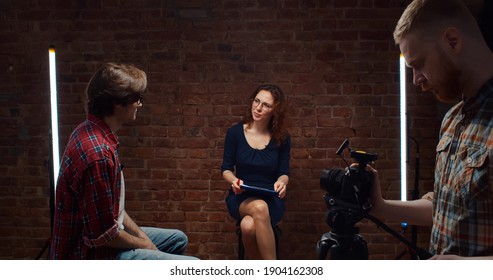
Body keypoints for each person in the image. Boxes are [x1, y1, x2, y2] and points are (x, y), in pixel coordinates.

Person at [369, 0, 493, 259]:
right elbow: (446, 206)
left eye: (419, 64)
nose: (416, 80)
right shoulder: (451, 120)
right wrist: (380, 206)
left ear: (452, 41)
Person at [49, 63, 197, 260]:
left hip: (101, 240)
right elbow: (102, 235)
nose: (140, 104)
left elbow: (114, 209)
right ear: (118, 103)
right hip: (89, 255)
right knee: (193, 267)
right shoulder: (98, 154)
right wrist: (145, 245)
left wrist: (142, 237)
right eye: (137, 98)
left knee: (177, 239)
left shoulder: (91, 131)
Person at [221, 84, 291, 260]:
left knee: (248, 226)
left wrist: (282, 182)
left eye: (266, 105)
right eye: (256, 101)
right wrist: (234, 181)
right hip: (241, 196)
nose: (258, 108)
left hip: (271, 197)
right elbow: (226, 169)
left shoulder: (282, 138)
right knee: (259, 208)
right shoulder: (235, 133)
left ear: (275, 110)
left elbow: (284, 172)